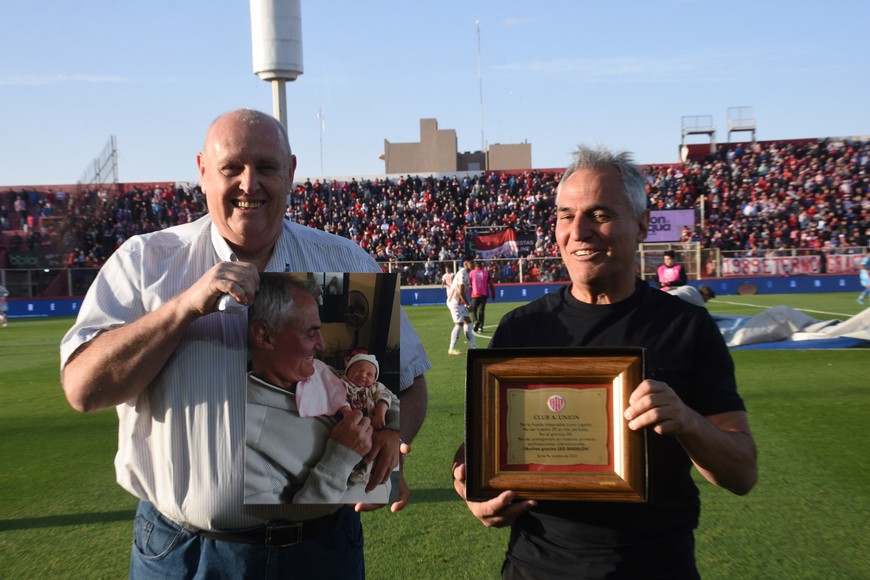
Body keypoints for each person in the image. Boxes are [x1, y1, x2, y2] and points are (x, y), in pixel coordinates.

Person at [60, 108, 430, 579]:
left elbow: (412, 383)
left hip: (320, 550)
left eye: (267, 167)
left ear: (292, 172)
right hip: (184, 553)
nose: (249, 184)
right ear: (201, 171)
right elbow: (82, 389)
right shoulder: (145, 263)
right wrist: (184, 307)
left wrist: (394, 436)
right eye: (231, 167)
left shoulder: (342, 257)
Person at [452, 145, 757, 579]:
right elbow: (475, 449)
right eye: (565, 215)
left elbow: (742, 473)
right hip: (535, 568)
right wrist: (468, 487)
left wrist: (688, 421)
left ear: (642, 226)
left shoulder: (686, 327)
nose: (578, 231)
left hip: (656, 567)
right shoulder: (521, 330)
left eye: (599, 214)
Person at [245, 275, 394, 506]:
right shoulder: (244, 424)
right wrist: (342, 456)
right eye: (310, 332)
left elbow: (383, 393)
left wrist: (392, 431)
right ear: (265, 336)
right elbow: (281, 521)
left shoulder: (319, 369)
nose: (323, 345)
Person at [447, 259, 478, 355]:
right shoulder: (463, 274)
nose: (474, 264)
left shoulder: (466, 274)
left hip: (460, 303)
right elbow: (460, 292)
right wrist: (468, 305)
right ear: (466, 264)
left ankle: (474, 346)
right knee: (459, 324)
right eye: (471, 263)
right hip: (455, 302)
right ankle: (451, 349)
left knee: (467, 322)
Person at [469, 260, 496, 332]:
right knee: (481, 311)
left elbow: (468, 284)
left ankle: (475, 322)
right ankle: (481, 327)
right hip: (484, 295)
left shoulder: (471, 273)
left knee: (473, 310)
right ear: (482, 266)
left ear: (475, 266)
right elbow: (491, 285)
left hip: (474, 294)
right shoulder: (486, 273)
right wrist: (493, 294)